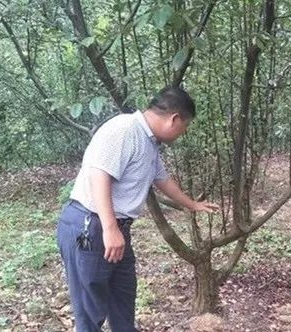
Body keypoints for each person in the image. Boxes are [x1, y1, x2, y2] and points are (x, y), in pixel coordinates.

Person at [56, 86, 218, 332]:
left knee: (122, 301)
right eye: (184, 127)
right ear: (174, 119)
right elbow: (100, 175)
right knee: (91, 311)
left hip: (116, 228)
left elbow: (162, 180)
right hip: (91, 225)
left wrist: (192, 204)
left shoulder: (149, 142)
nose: (182, 134)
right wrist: (110, 229)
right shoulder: (124, 130)